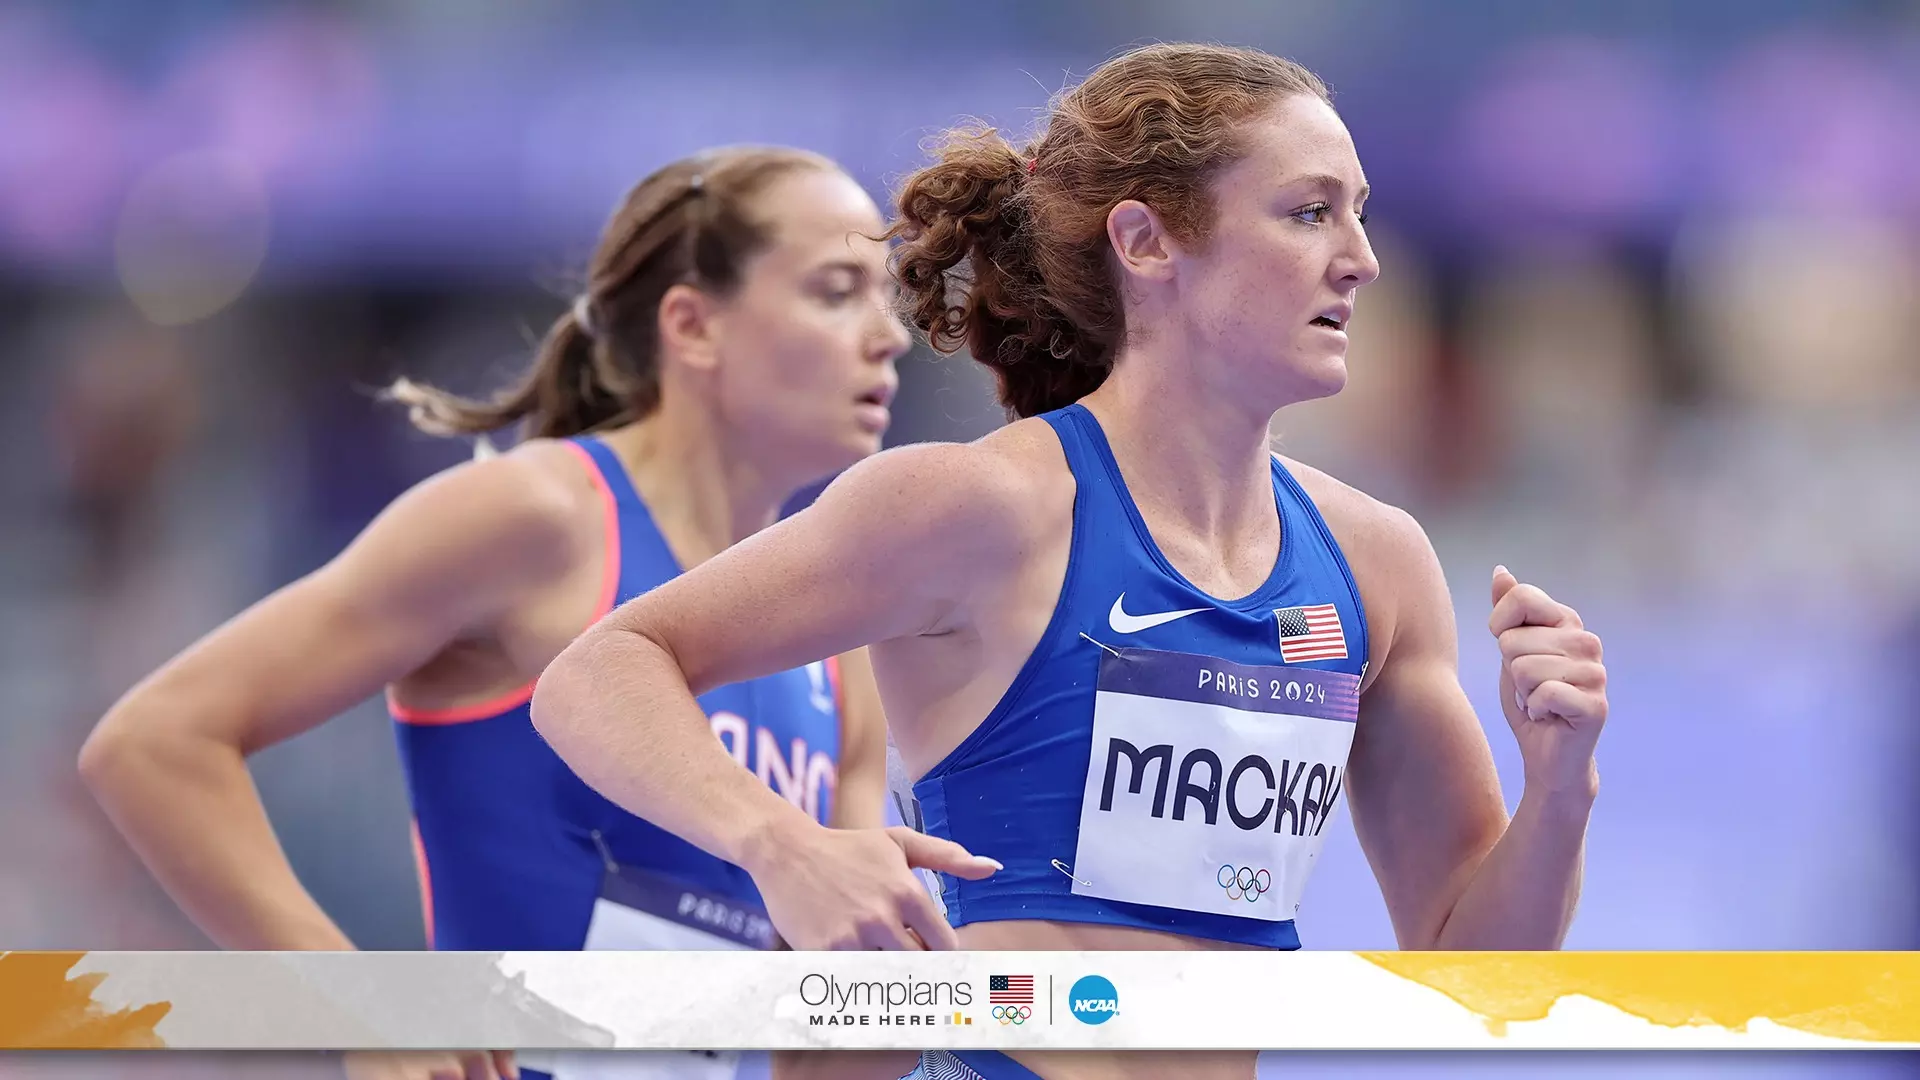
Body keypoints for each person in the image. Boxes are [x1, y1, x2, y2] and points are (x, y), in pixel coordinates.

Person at [527, 43, 1611, 1080]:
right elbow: (600, 671)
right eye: (1309, 212)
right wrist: (779, 843)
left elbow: (1477, 975)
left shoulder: (1376, 563)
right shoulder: (980, 506)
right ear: (1145, 243)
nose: (1362, 259)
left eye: (1360, 215)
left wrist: (1561, 784)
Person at [79, 145, 920, 1080]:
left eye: (887, 297)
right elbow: (153, 742)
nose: (890, 336)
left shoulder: (835, 648)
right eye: (839, 290)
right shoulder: (539, 521)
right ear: (693, 325)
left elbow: (827, 1045)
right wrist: (349, 1001)